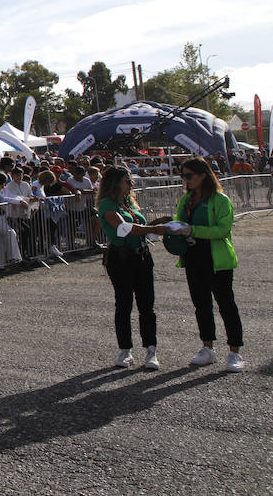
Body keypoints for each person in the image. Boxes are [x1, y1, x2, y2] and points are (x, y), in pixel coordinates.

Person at [171, 158, 244, 372]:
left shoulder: (220, 200)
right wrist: (172, 228)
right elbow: (179, 220)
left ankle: (235, 351)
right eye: (183, 176)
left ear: (203, 175)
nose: (185, 180)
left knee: (226, 305)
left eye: (189, 175)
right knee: (201, 305)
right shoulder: (186, 199)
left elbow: (223, 230)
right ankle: (207, 348)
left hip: (216, 259)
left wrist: (193, 230)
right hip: (192, 257)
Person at [96, 166, 169, 370]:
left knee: (147, 305)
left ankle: (151, 350)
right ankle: (125, 350)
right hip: (121, 260)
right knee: (124, 304)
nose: (131, 183)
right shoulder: (107, 204)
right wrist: (155, 228)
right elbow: (124, 228)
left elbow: (139, 229)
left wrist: (158, 224)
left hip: (141, 256)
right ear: (115, 183)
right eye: (127, 180)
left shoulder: (128, 203)